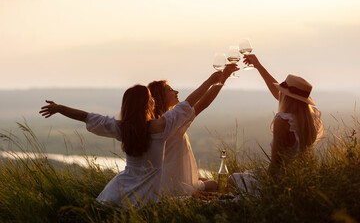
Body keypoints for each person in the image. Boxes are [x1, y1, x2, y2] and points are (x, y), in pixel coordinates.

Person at [39, 65, 238, 206]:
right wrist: (213, 79)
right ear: (148, 105)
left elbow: (87, 117)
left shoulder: (123, 128)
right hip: (148, 195)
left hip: (117, 191)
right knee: (213, 185)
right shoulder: (162, 126)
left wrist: (59, 108)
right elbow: (191, 102)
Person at [229, 54, 324, 196]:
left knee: (231, 180)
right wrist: (258, 66)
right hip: (299, 176)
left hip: (281, 180)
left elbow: (276, 164)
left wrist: (268, 190)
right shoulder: (310, 118)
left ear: (286, 96)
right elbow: (279, 94)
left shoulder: (283, 121)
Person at [148, 64, 239, 195]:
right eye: (170, 90)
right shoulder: (171, 122)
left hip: (164, 180)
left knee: (203, 179)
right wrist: (219, 80)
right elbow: (202, 104)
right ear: (160, 97)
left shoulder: (156, 122)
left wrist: (222, 79)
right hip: (175, 185)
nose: (176, 92)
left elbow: (201, 104)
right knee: (215, 184)